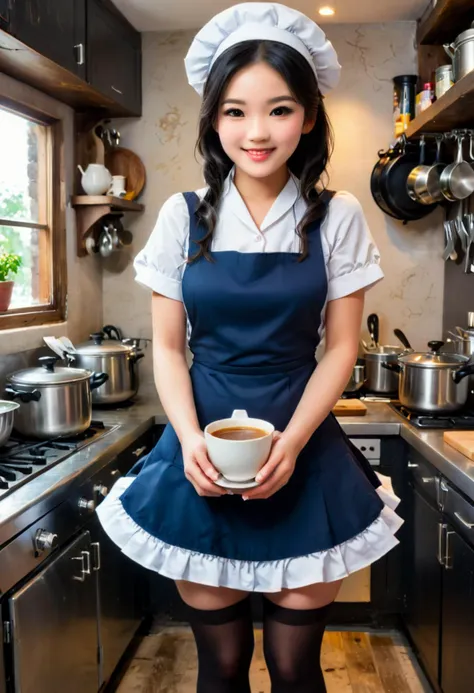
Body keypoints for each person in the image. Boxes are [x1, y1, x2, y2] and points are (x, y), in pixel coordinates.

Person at [97, 3, 403, 691]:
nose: (256, 132)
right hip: (201, 448)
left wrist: (292, 443)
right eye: (235, 111)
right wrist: (190, 439)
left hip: (305, 448)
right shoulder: (182, 217)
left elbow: (339, 348)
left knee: (297, 669)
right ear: (212, 119)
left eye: (280, 109)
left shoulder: (338, 216)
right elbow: (171, 350)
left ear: (310, 117)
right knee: (223, 664)